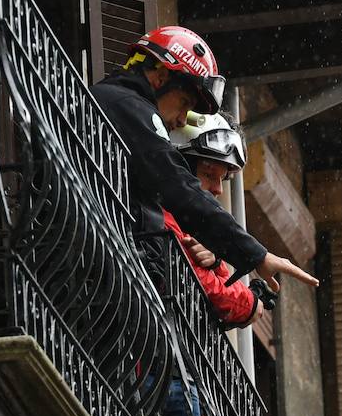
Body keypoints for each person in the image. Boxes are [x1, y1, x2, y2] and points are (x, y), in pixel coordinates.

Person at [89, 25, 317, 292]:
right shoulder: (132, 109)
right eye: (185, 102)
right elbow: (180, 189)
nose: (182, 119)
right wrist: (256, 255)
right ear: (161, 77)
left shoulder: (118, 104)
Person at [156, 113, 266, 416]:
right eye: (209, 174)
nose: (218, 189)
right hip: (154, 361)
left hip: (166, 359)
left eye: (224, 178)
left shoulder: (186, 223)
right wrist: (252, 303)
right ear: (181, 165)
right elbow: (219, 296)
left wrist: (219, 258)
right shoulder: (164, 215)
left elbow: (211, 278)